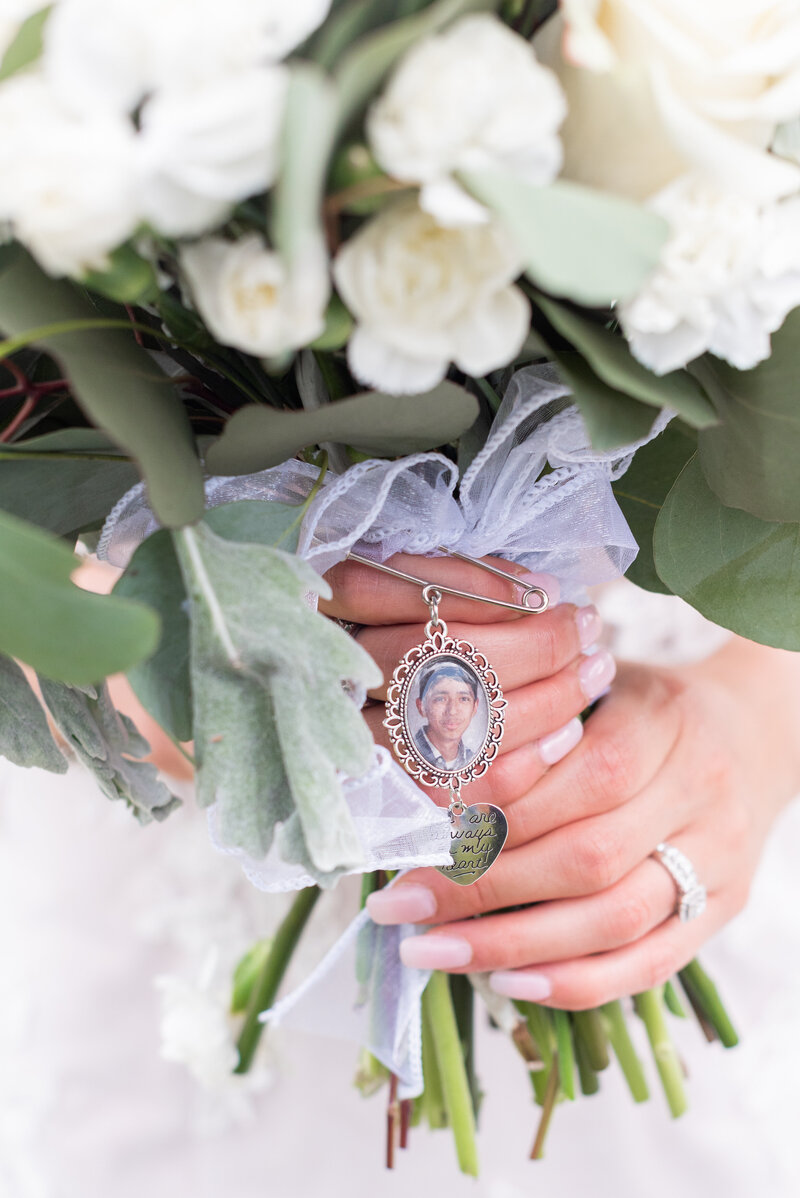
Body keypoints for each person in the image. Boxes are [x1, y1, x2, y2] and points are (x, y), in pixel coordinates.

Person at [413, 661, 481, 771]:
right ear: (422, 707)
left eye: (463, 699)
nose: (452, 711)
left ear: (475, 707)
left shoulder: (473, 758)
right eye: (440, 699)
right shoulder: (411, 752)